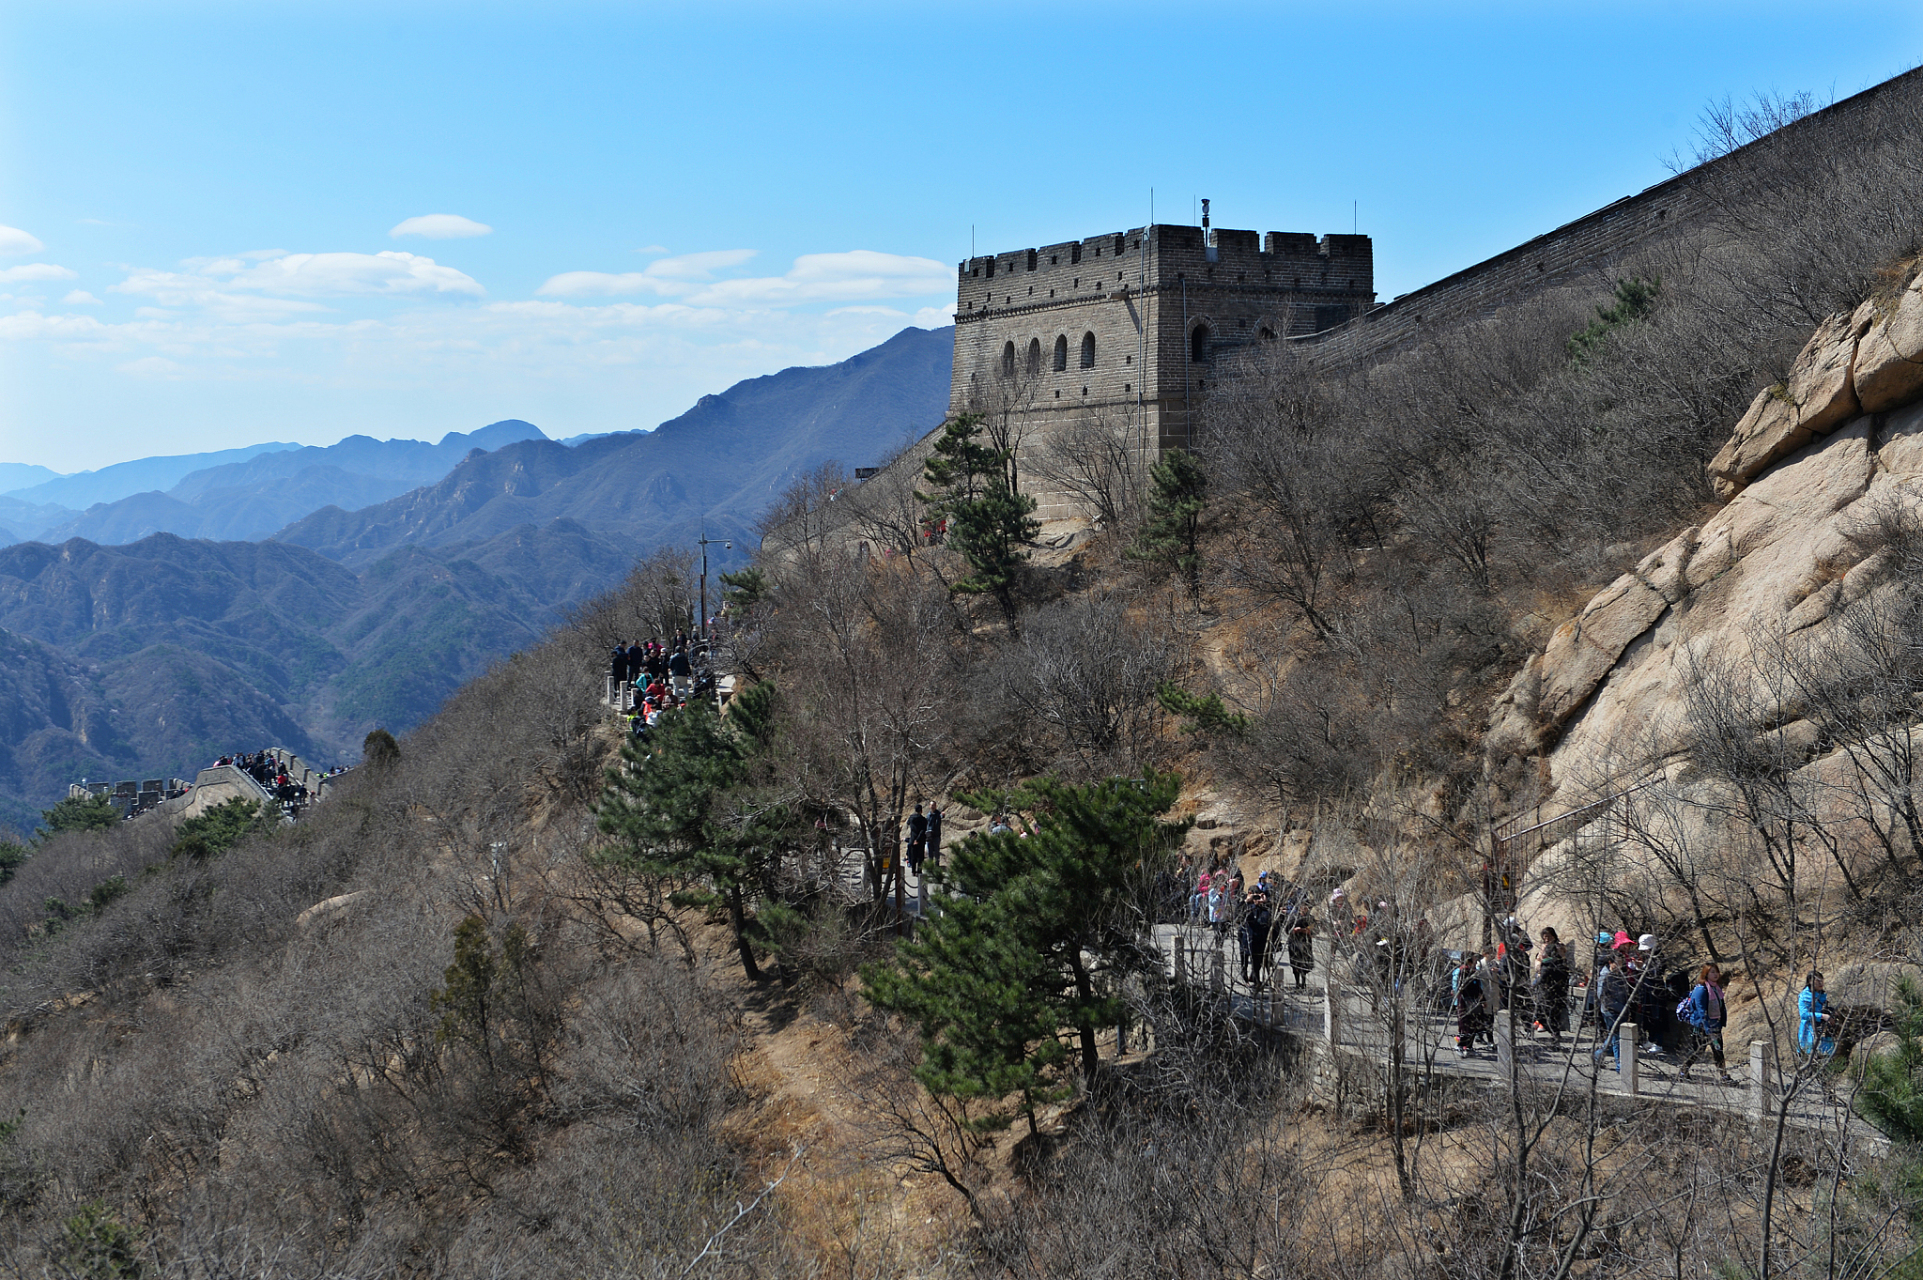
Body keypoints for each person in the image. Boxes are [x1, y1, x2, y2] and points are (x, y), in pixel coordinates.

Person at [1678, 963, 1735, 1085]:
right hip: (1702, 1026)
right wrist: (1707, 1027)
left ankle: (1724, 1076)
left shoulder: (1716, 988)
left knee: (1718, 1051)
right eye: (1712, 972)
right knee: (1697, 1051)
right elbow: (1700, 1009)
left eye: (1716, 972)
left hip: (1715, 1025)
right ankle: (1683, 1072)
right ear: (1706, 974)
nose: (1715, 974)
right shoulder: (1701, 989)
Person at [1533, 927, 1570, 1046]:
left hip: (1549, 989)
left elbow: (1544, 969)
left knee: (1544, 1013)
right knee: (1551, 1015)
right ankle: (1555, 1034)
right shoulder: (1546, 950)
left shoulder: (1558, 949)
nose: (1546, 939)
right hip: (1552, 989)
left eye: (1548, 936)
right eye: (1544, 938)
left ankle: (1555, 1033)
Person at [1593, 952, 1631, 1069]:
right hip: (1610, 1011)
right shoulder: (1606, 976)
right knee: (1616, 1038)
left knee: (1612, 1037)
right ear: (1611, 962)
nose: (1620, 965)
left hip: (1621, 1010)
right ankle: (1619, 1065)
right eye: (1618, 962)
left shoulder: (1621, 975)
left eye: (1621, 962)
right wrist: (1620, 1008)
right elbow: (1603, 996)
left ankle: (1598, 1055)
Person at [1455, 952, 1490, 1056]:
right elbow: (1463, 988)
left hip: (1474, 1002)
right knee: (1465, 1026)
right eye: (1474, 959)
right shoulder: (1464, 971)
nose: (1476, 961)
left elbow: (1478, 988)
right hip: (1466, 1003)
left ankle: (1469, 1047)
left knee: (1474, 1025)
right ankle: (1461, 1046)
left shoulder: (1474, 972)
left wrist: (1482, 999)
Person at [1241, 888, 1274, 985]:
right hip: (1247, 938)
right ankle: (1245, 976)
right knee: (1245, 960)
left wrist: (1266, 902)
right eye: (1254, 896)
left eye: (1258, 896)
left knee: (1257, 962)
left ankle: (1255, 979)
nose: (1256, 899)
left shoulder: (1264, 909)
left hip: (1260, 939)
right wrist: (1246, 901)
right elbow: (1239, 914)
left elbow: (1273, 916)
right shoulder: (1247, 907)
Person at [1798, 971, 1833, 1057]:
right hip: (1808, 1030)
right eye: (1818, 981)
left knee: (1826, 1055)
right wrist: (1822, 1016)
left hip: (1823, 1029)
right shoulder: (1804, 996)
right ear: (1810, 981)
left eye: (1822, 980)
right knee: (1809, 1055)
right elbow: (1804, 1014)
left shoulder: (1822, 995)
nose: (1821, 983)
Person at [1287, 912, 1315, 989]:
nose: (1304, 909)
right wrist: (1294, 930)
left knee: (1304, 964)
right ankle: (1297, 982)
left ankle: (1303, 983)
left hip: (1305, 943)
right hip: (1294, 942)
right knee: (1295, 963)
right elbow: (1287, 930)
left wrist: (1306, 931)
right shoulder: (1293, 917)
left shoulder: (1310, 918)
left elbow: (1315, 930)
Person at [905, 804, 928, 877]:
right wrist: (918, 839)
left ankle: (913, 871)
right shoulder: (923, 819)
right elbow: (923, 830)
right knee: (920, 857)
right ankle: (919, 871)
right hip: (920, 840)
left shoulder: (911, 818)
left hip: (912, 838)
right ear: (921, 810)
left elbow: (908, 823)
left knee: (913, 856)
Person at [925, 801, 943, 868]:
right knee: (930, 851)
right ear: (929, 806)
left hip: (936, 835)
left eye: (934, 805)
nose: (933, 806)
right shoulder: (928, 814)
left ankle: (937, 864)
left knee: (936, 850)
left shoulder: (938, 814)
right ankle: (930, 864)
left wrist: (943, 815)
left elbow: (941, 816)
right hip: (929, 835)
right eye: (932, 805)